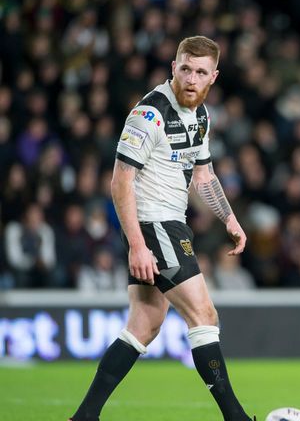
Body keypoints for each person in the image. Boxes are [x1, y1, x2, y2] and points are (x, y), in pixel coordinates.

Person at [69, 36, 254, 421]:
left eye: (200, 72)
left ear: (213, 77)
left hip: (169, 224)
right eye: (185, 68)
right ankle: (236, 418)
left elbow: (203, 175)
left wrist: (230, 218)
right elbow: (120, 182)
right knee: (204, 315)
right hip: (155, 225)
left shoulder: (201, 115)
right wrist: (138, 245)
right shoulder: (149, 114)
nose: (191, 78)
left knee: (145, 323)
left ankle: (84, 417)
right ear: (173, 67)